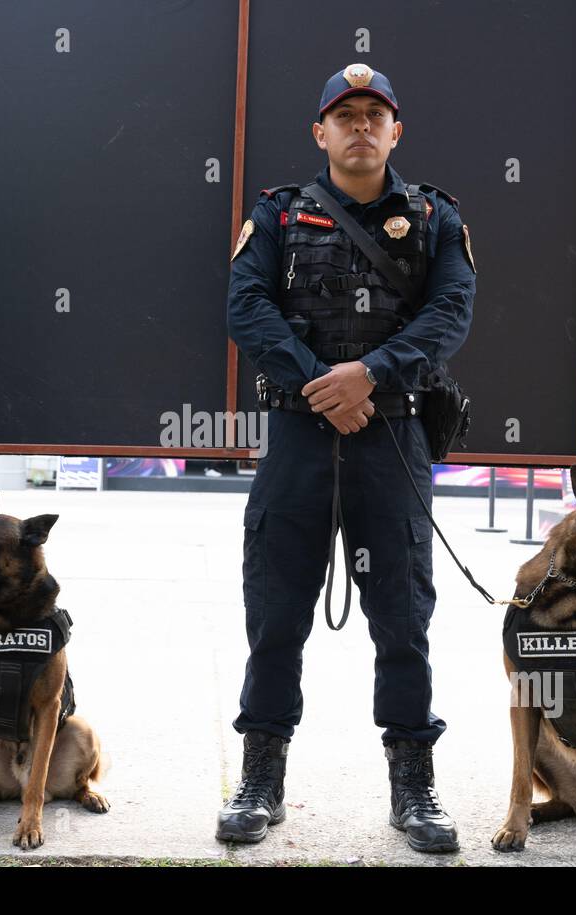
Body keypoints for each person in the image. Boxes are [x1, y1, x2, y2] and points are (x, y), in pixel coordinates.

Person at [218, 64, 476, 852]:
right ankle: (261, 781)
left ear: (395, 131)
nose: (360, 126)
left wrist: (371, 375)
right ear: (320, 133)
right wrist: (321, 384)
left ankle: (414, 788)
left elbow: (451, 312)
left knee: (403, 623)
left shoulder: (434, 218)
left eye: (375, 115)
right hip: (299, 436)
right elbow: (245, 306)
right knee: (275, 617)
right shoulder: (278, 215)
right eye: (345, 115)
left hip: (392, 438)